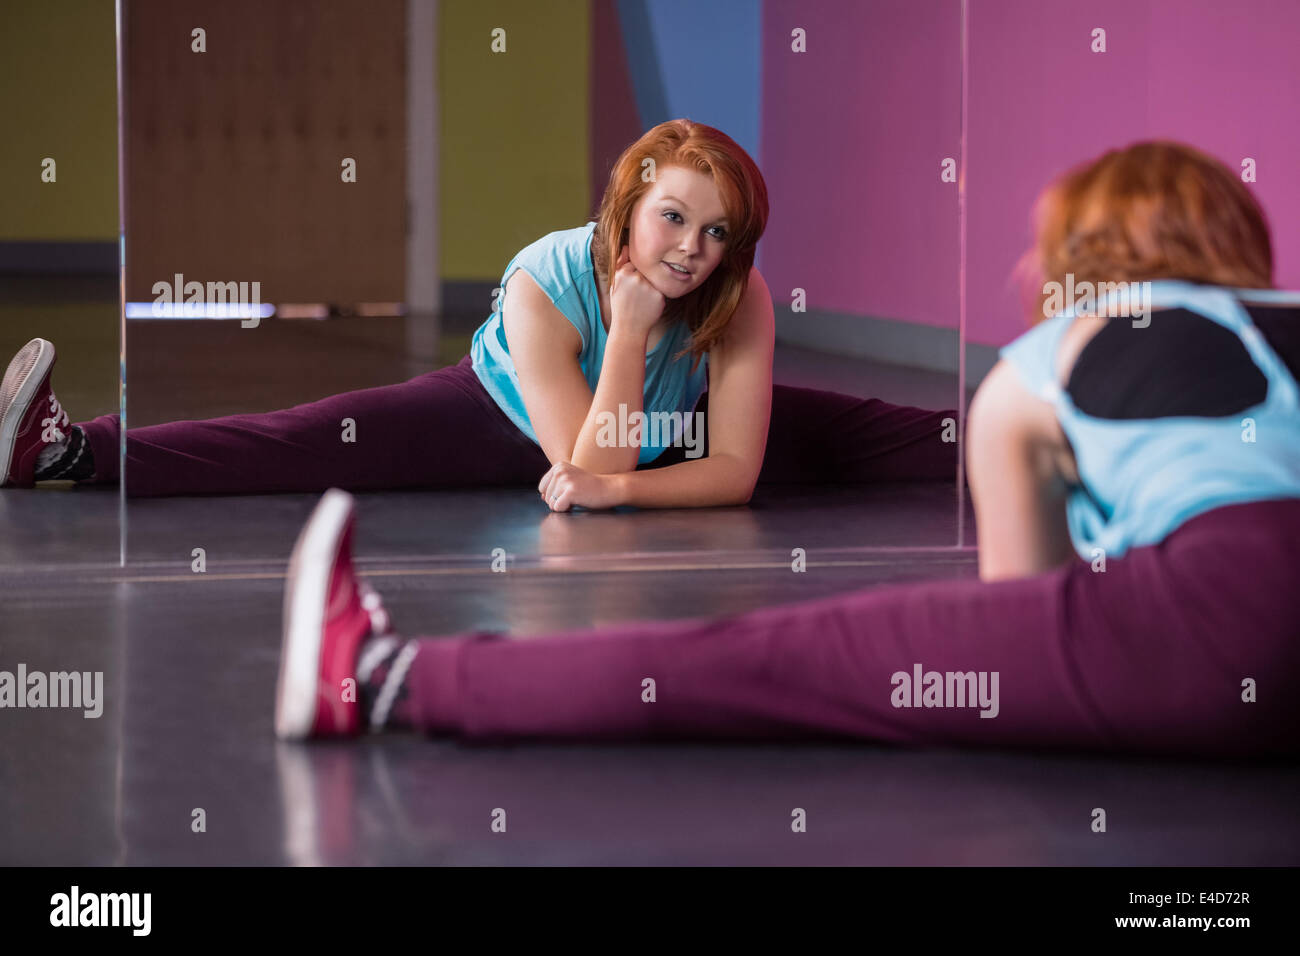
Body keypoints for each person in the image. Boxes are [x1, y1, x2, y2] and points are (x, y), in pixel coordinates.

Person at [273, 141, 1300, 756]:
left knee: (767, 661)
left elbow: (1020, 618)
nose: (693, 247)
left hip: (1216, 625)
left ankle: (383, 673)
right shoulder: (555, 278)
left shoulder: (1041, 360)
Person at [0, 119, 955, 503]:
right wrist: (625, 330)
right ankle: (68, 449)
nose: (691, 251)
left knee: (865, 432)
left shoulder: (737, 295)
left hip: (658, 438)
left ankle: (1054, 432)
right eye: (673, 217)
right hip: (499, 416)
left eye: (717, 233)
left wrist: (620, 492)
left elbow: (731, 471)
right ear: (628, 204)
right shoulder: (546, 277)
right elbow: (578, 459)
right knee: (300, 440)